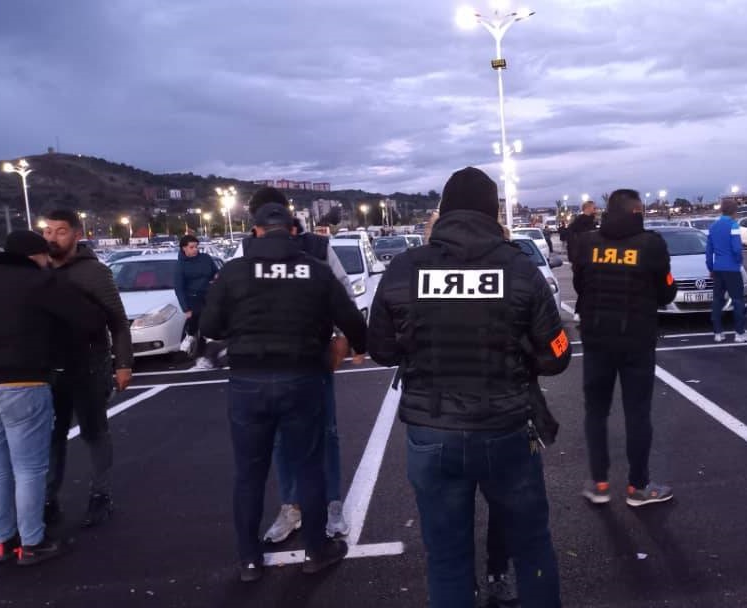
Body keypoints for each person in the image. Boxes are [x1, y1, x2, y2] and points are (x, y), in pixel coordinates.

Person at [368, 167, 571, 608]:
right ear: (492, 212)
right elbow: (557, 354)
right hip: (506, 428)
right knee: (532, 547)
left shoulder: (405, 268)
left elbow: (380, 349)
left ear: (443, 212)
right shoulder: (519, 269)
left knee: (447, 560)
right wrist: (523, 353)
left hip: (431, 430)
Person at [200, 202, 367, 582]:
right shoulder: (315, 270)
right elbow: (351, 318)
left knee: (249, 473)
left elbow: (210, 325)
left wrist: (243, 325)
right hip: (301, 377)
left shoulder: (235, 271)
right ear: (293, 231)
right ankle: (316, 550)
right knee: (308, 467)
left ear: (255, 231)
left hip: (248, 382)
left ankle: (249, 559)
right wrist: (358, 346)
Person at [232, 186, 355, 543]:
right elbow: (229, 301)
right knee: (282, 440)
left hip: (311, 359)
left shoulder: (317, 247)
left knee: (324, 433)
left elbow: (343, 292)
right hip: (266, 362)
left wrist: (341, 338)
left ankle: (331, 505)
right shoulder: (244, 252)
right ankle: (292, 506)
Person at [0, 231, 105, 565]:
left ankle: (4, 541)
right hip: (23, 382)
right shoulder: (39, 282)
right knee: (29, 467)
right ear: (34, 256)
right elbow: (89, 319)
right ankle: (32, 542)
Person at [573, 189, 677, 507]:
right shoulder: (651, 244)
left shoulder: (587, 243)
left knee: (596, 412)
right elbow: (666, 293)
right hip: (637, 342)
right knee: (637, 413)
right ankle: (638, 486)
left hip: (596, 339)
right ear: (636, 212)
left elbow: (579, 284)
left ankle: (599, 483)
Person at [42, 209, 134, 528]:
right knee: (51, 437)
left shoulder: (94, 272)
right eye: (47, 231)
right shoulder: (38, 269)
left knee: (94, 433)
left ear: (77, 235)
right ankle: (48, 499)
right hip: (49, 368)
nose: (52, 237)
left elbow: (118, 322)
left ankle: (100, 495)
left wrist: (123, 364)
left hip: (90, 365)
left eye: (60, 231)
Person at [174, 234, 219, 369]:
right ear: (184, 248)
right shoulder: (180, 265)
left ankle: (209, 353)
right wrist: (186, 308)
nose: (195, 250)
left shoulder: (205, 258)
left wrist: (217, 278)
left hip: (208, 296)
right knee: (195, 325)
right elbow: (179, 288)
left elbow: (215, 272)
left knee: (209, 326)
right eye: (191, 247)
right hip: (192, 299)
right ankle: (187, 347)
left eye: (196, 247)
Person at [706, 199, 745, 342]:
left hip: (718, 269)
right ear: (734, 211)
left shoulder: (713, 227)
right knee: (738, 300)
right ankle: (739, 333)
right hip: (732, 269)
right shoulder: (734, 225)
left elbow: (709, 251)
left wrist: (711, 268)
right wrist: (739, 261)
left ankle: (718, 333)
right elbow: (737, 248)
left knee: (717, 301)